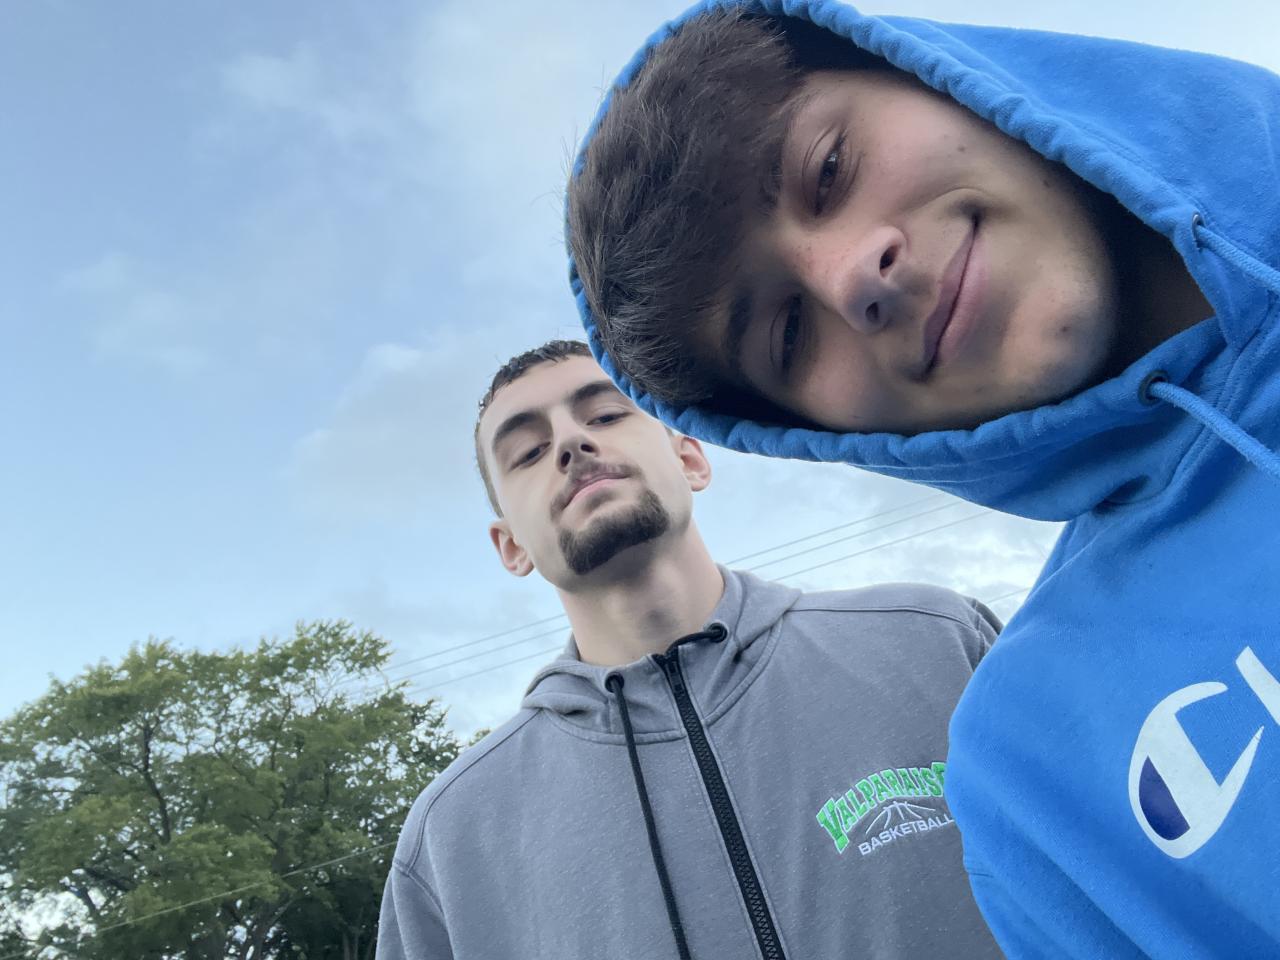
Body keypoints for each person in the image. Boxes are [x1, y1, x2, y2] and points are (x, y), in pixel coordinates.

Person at [566, 4, 1280, 959]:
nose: (852, 278)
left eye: (829, 169)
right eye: (786, 334)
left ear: (933, 75)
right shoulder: (1038, 780)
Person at [376, 339, 1003, 959]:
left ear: (691, 459)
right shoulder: (451, 840)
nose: (570, 442)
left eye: (606, 415)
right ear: (511, 547)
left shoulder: (937, 642)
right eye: (529, 452)